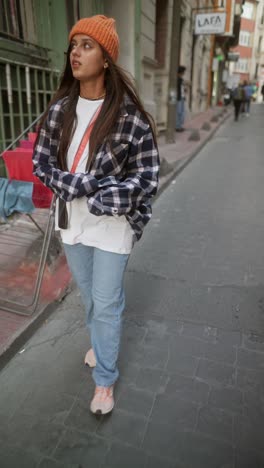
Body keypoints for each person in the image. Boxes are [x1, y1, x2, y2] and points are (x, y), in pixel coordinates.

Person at [32, 15, 159, 415]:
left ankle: (105, 380)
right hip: (73, 223)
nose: (76, 52)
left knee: (106, 304)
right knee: (90, 298)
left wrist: (98, 192)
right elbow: (41, 161)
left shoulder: (130, 118)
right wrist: (72, 185)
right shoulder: (60, 110)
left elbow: (147, 177)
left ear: (106, 58)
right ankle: (101, 342)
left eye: (88, 45)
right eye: (74, 44)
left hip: (112, 226)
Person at [176, 65, 186, 132]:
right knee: (178, 112)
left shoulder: (181, 79)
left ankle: (180, 126)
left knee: (182, 112)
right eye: (183, 72)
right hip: (178, 98)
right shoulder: (177, 79)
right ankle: (178, 127)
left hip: (182, 97)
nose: (184, 73)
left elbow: (181, 89)